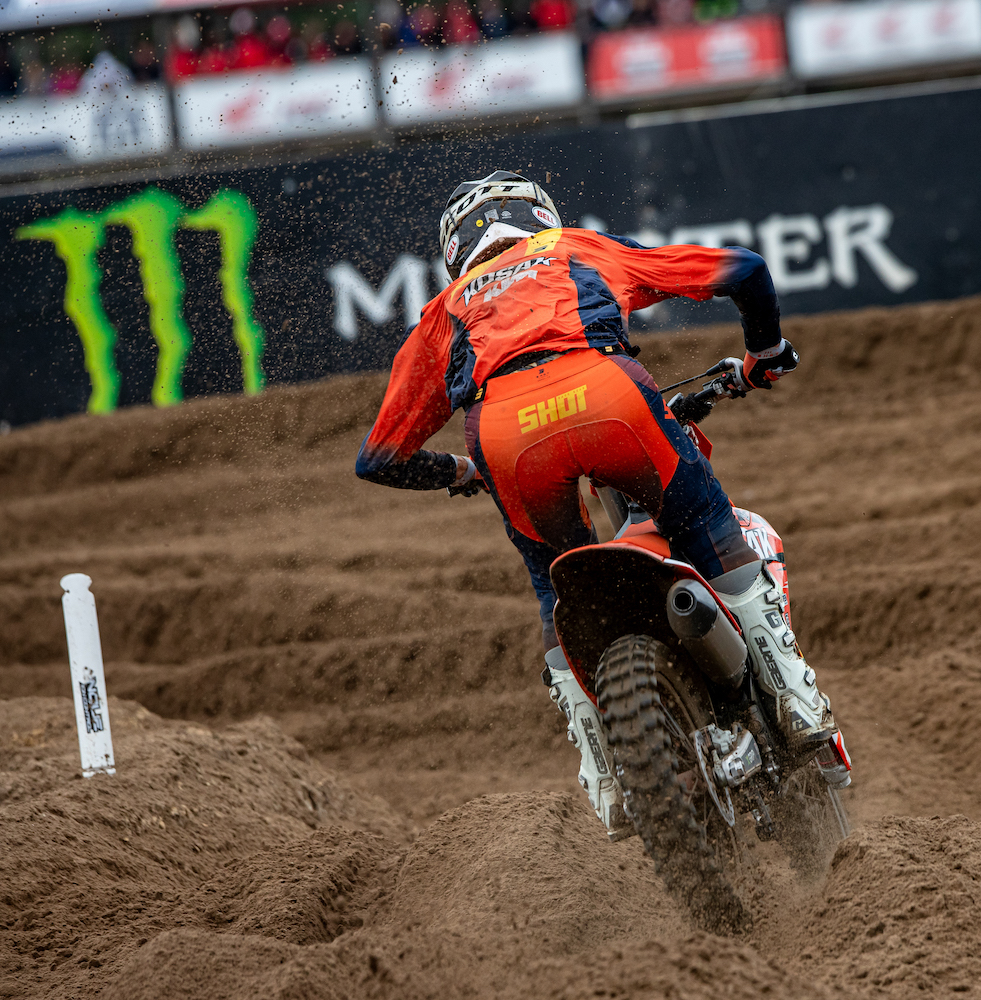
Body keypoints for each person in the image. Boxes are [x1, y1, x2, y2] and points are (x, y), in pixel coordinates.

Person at [354, 171, 838, 838]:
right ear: (538, 217)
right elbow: (745, 270)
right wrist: (765, 352)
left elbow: (377, 458)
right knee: (706, 525)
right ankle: (795, 698)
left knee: (556, 592)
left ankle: (606, 775)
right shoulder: (575, 247)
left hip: (506, 437)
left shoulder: (442, 313)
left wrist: (463, 470)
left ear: (455, 252)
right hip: (607, 396)